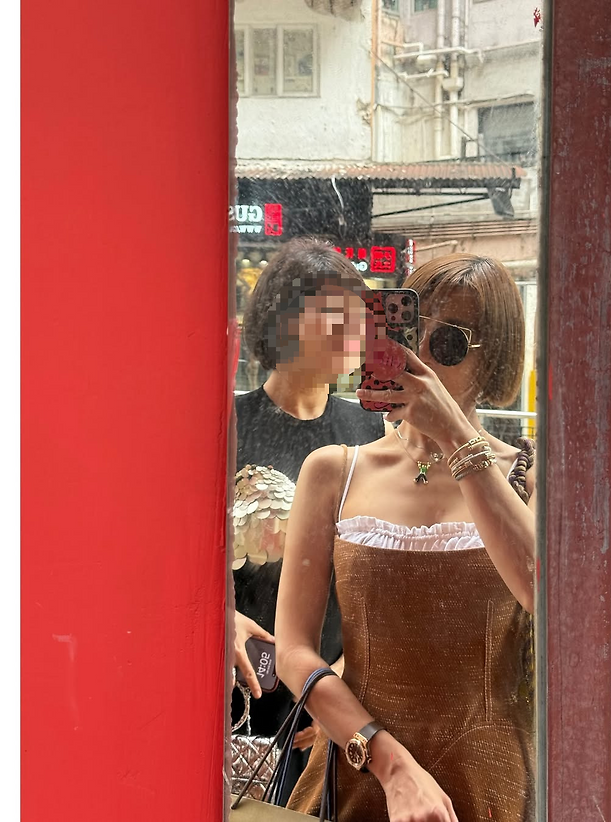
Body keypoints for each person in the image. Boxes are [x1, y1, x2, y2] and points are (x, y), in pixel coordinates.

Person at [275, 253, 536, 822]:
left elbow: (546, 595)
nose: (419, 358)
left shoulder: (530, 478)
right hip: (357, 772)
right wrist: (389, 763)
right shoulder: (334, 471)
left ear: (492, 360)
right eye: (406, 332)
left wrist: (456, 438)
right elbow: (293, 651)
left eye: (448, 343)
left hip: (488, 780)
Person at [231, 237, 387, 804]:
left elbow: (379, 575)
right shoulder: (229, 424)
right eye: (332, 312)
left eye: (358, 314)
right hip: (238, 692)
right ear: (285, 320)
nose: (353, 329)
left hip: (333, 692)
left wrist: (337, 687)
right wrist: (219, 619)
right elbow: (175, 555)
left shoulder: (371, 430)